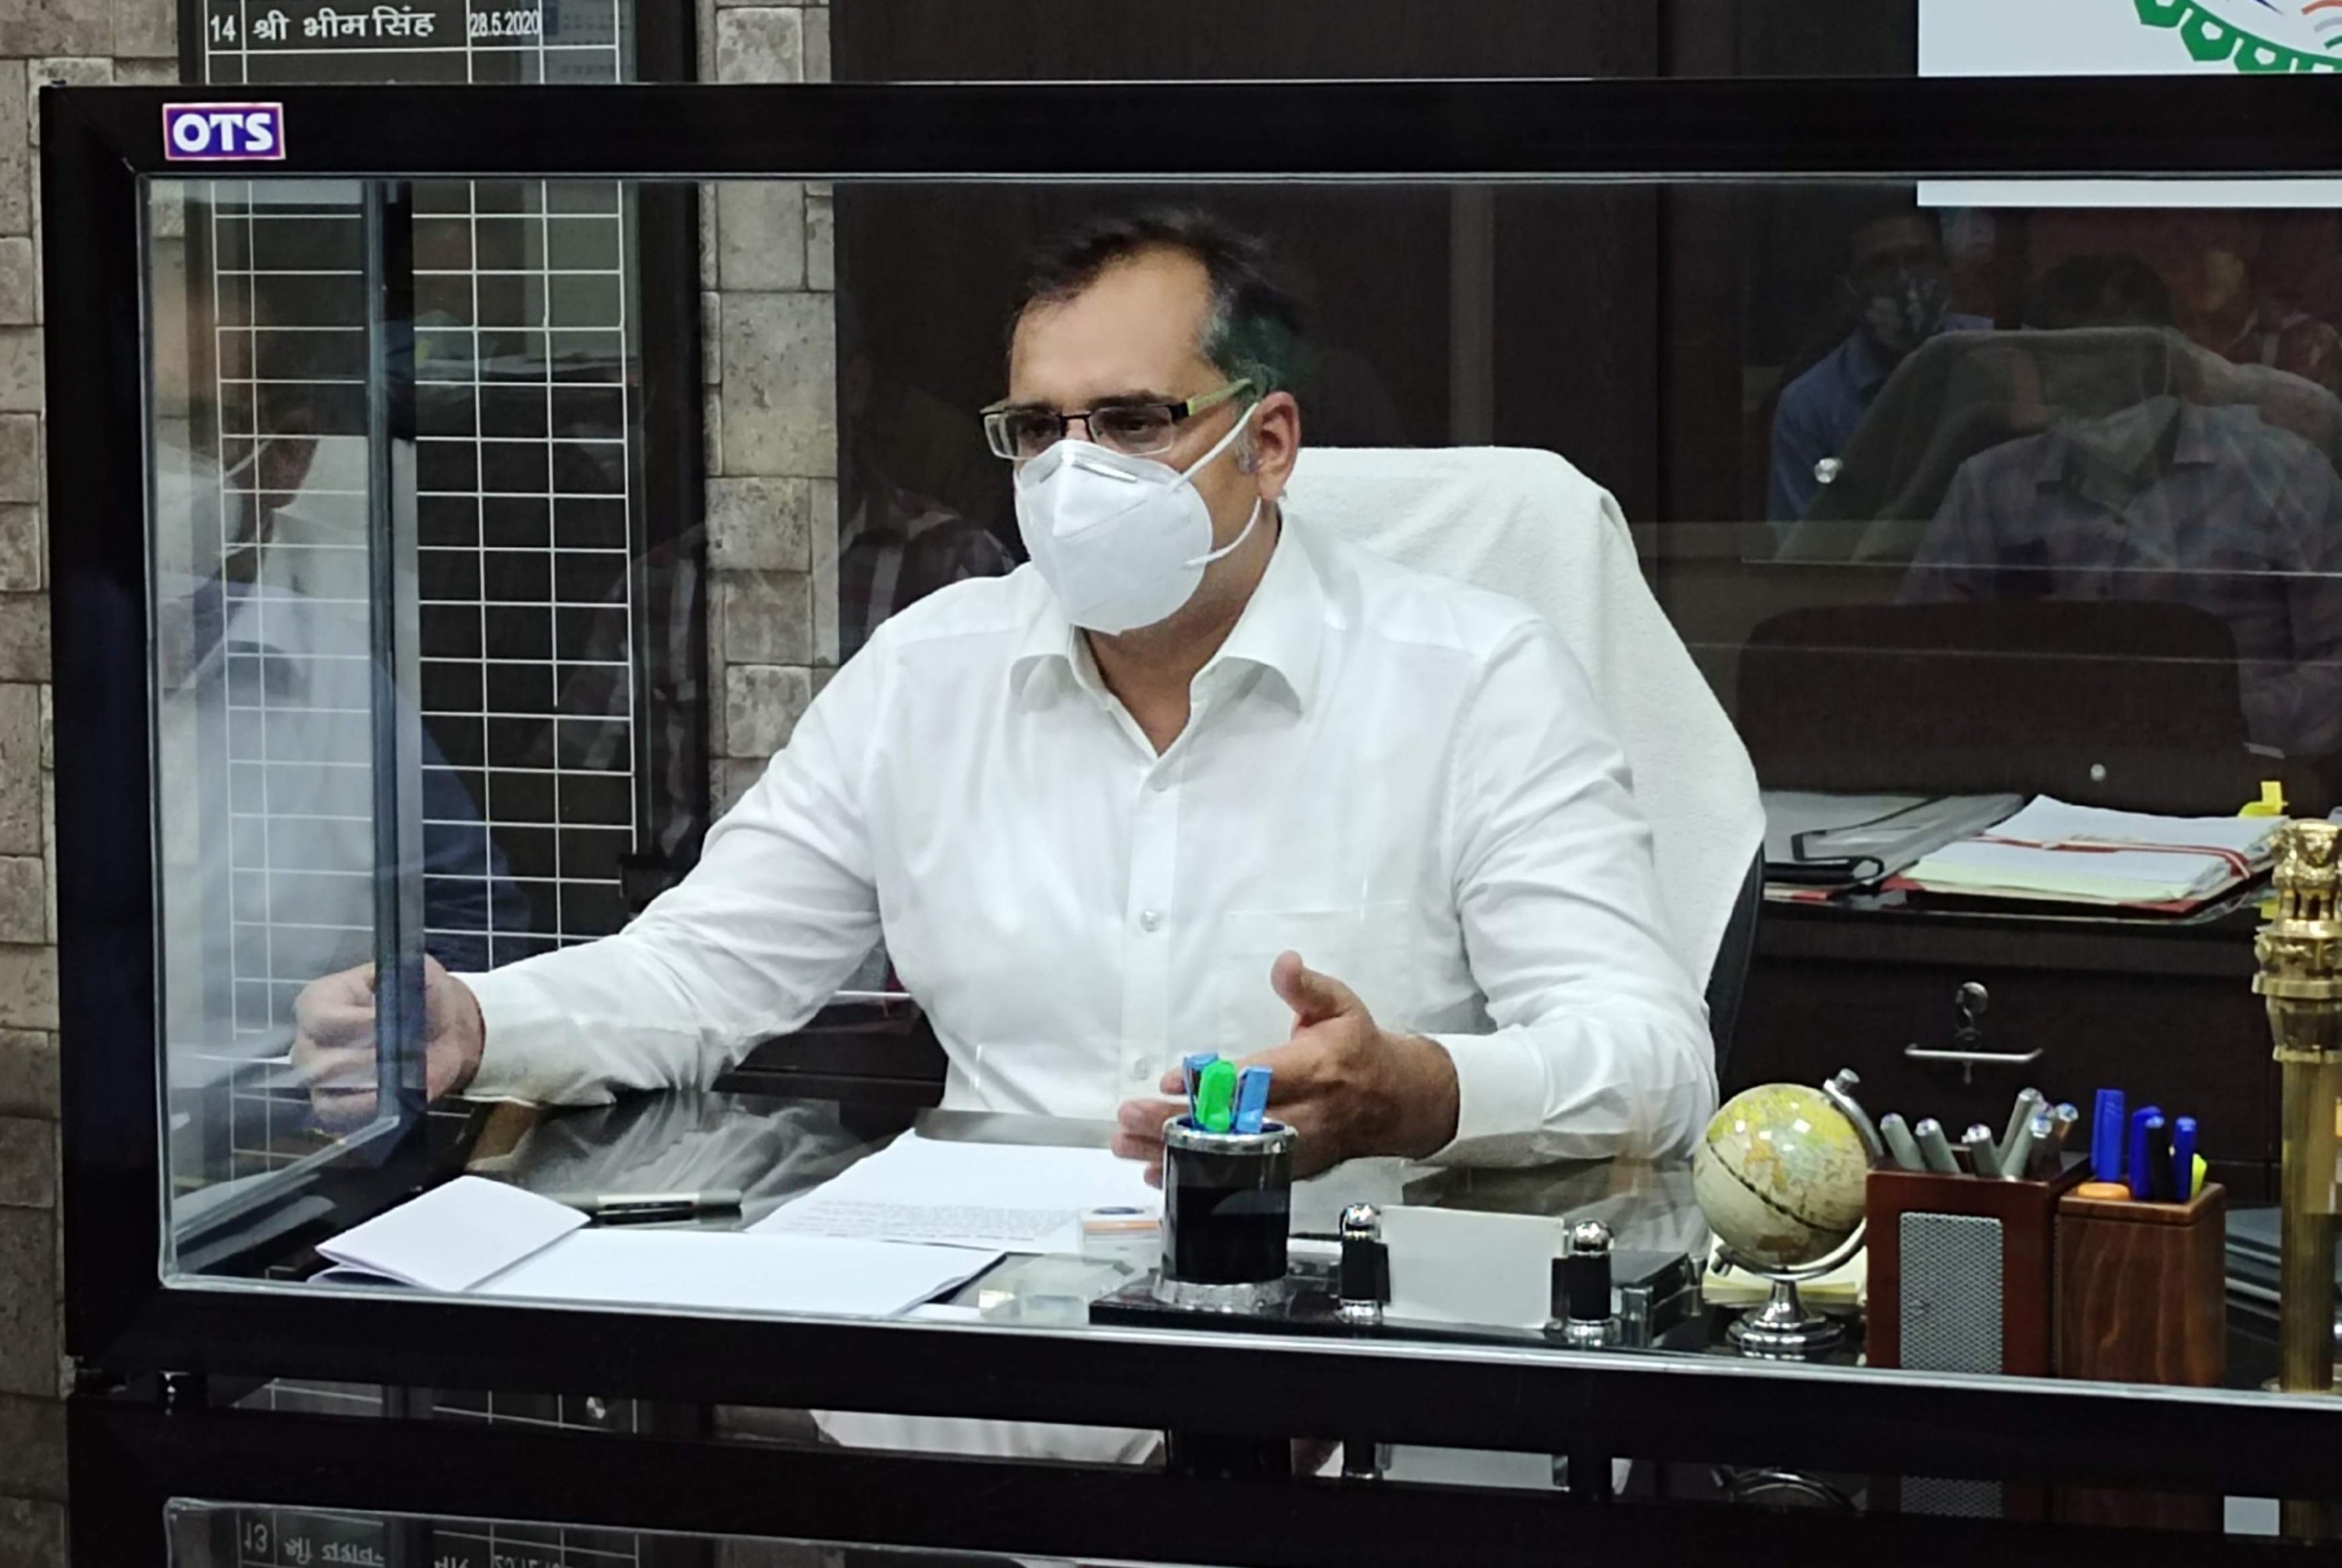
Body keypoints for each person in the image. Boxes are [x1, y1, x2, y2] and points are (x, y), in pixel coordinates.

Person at [293, 210, 1714, 1174]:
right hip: (994, 1333)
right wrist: (477, 1020)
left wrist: (1419, 1089)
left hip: (1345, 1350)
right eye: (1039, 429)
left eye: (1134, 422)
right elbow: (701, 970)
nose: (1073, 470)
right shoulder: (929, 673)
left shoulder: (1476, 679)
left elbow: (1653, 1061)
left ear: (1269, 441)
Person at [1767, 207, 1989, 532]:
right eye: (1880, 266)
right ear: (1848, 289)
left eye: (1918, 259)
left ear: (1946, 268)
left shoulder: (2000, 351)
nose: (1903, 280)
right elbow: (1798, 548)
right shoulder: (1807, 406)